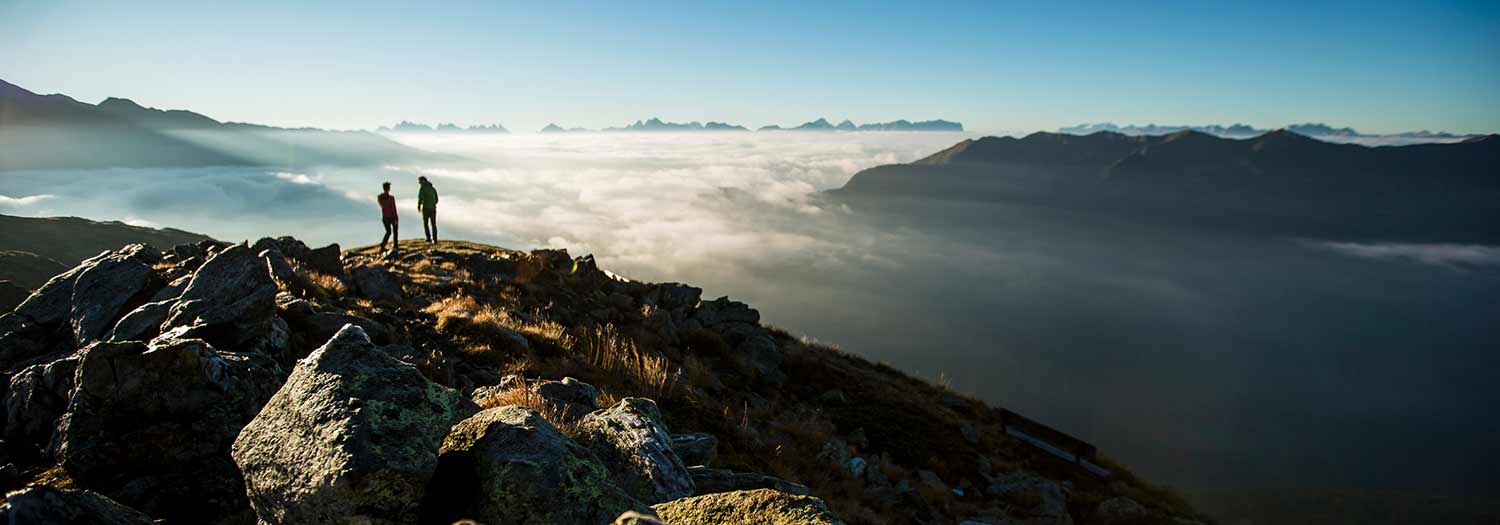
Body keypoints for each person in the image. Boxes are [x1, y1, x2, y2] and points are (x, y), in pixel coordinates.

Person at [377, 181, 399, 257]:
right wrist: (396, 218)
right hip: (391, 217)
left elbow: (382, 205)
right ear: (388, 188)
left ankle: (383, 245)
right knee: (394, 231)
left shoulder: (380, 197)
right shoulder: (390, 198)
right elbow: (394, 209)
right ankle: (395, 245)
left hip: (385, 217)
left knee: (389, 231)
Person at [417, 176, 439, 244]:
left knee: (426, 224)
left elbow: (420, 198)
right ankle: (435, 239)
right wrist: (432, 204)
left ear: (423, 181)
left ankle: (428, 238)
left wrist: (419, 206)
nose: (419, 183)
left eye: (420, 182)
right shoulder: (433, 188)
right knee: (433, 224)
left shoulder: (423, 188)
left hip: (426, 208)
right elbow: (436, 199)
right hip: (433, 208)